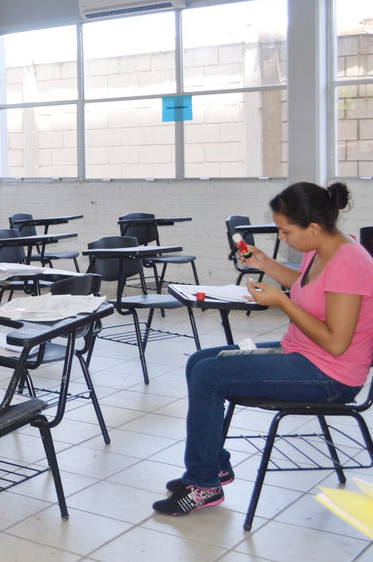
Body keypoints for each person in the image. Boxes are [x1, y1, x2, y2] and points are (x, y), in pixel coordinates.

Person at [153, 182, 373, 516]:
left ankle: (202, 484)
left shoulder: (349, 262)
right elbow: (309, 287)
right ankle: (213, 467)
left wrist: (282, 303)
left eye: (286, 231)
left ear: (314, 228)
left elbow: (336, 343)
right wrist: (266, 264)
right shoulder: (322, 248)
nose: (282, 237)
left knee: (209, 375)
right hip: (303, 354)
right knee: (199, 361)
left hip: (332, 376)